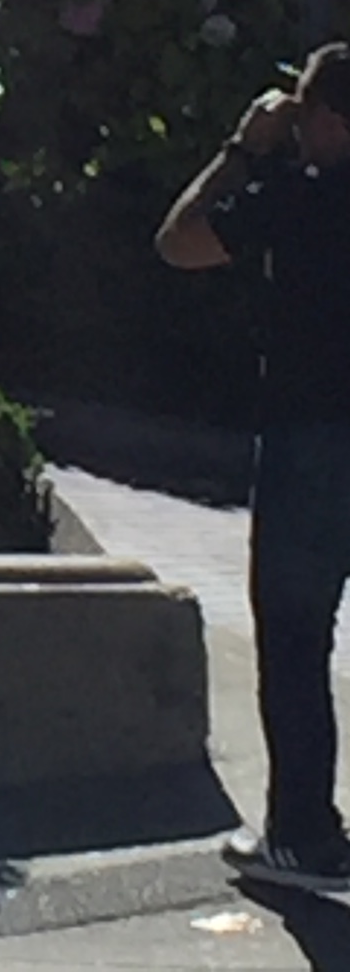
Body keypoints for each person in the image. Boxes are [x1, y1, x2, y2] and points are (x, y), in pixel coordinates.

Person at [158, 46, 350, 890]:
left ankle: (302, 835)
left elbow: (181, 242)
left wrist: (242, 148)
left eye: (305, 110)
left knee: (297, 637)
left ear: (332, 119)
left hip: (314, 439)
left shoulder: (299, 197)